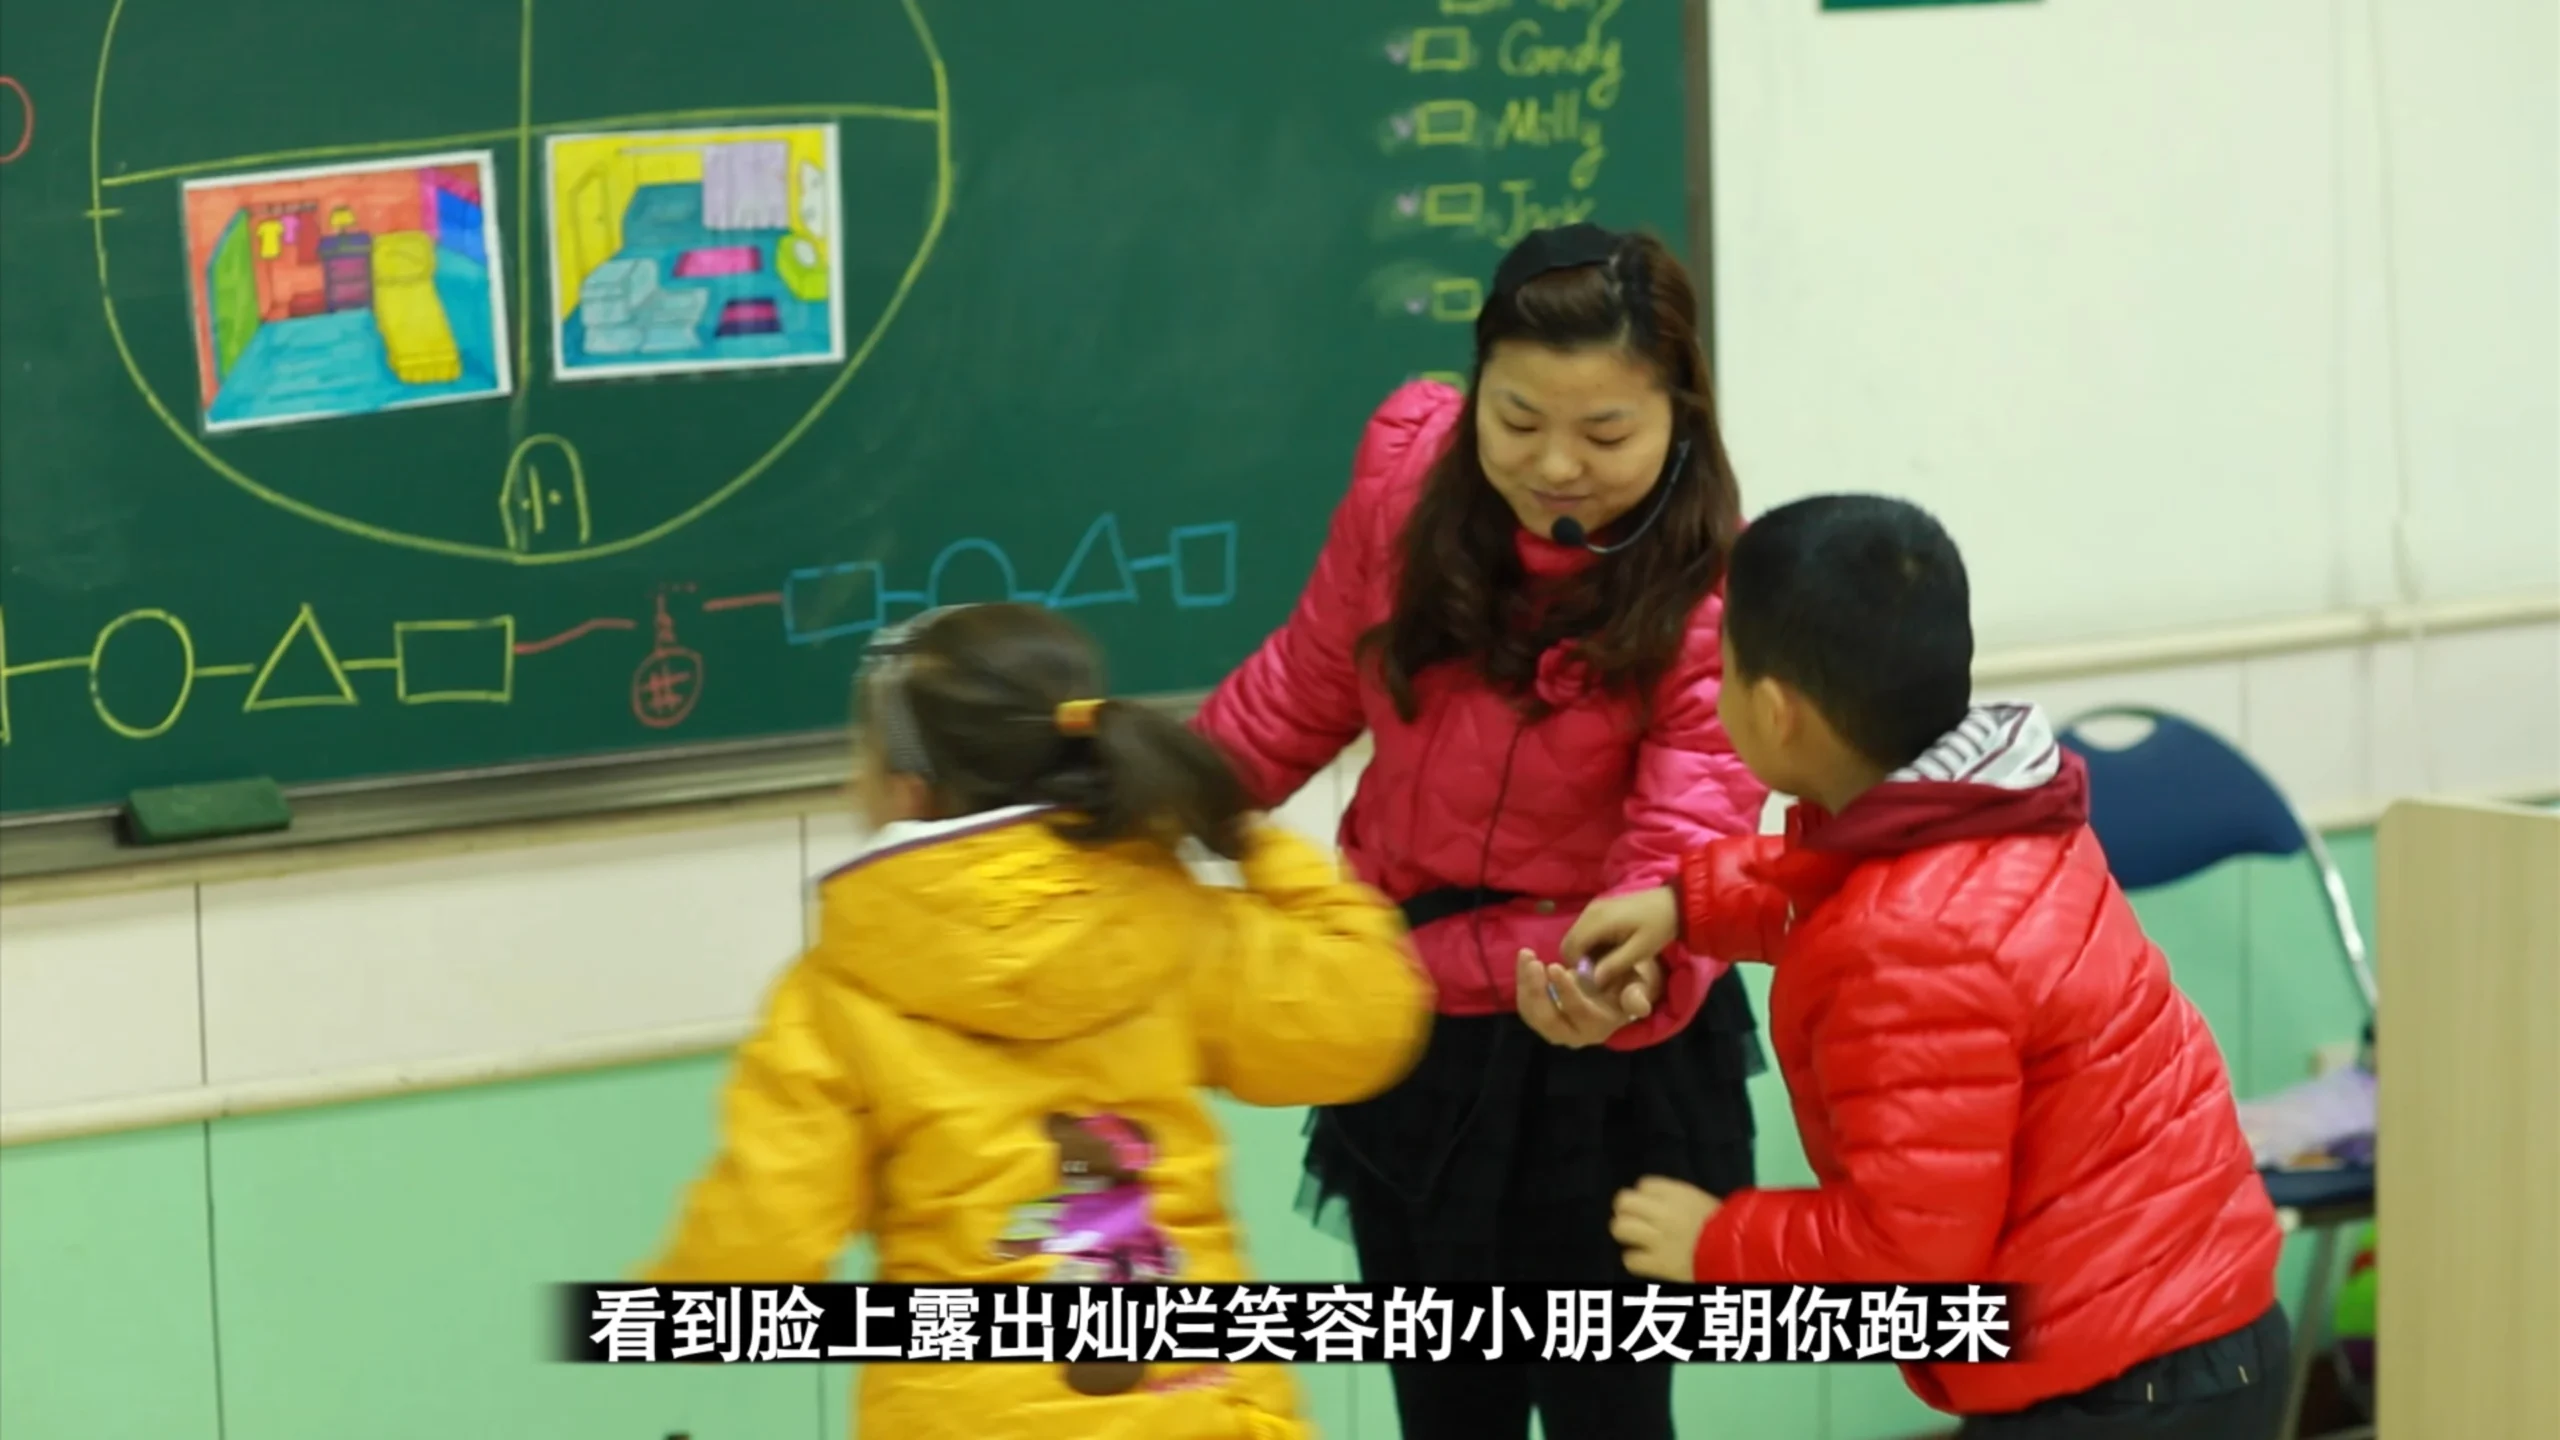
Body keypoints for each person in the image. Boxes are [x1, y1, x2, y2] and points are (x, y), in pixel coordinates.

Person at [1193, 223, 1767, 1439]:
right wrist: (1153, 797)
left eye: (1606, 433)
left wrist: (1619, 976)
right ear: (1474, 392)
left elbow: (1677, 859)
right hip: (1413, 1044)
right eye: (1515, 421)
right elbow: (1306, 682)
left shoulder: (1712, 586)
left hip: (1602, 1064)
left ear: (1679, 413)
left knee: (1609, 1416)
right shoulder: (1406, 480)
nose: (1555, 465)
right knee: (1445, 1411)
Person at [1577, 496, 2289, 1439]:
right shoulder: (2000, 793)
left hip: (2120, 1391)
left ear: (1777, 712)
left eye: (1725, 670)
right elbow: (1843, 875)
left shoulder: (1905, 941)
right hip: (2191, 1327)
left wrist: (1716, 1243)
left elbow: (1909, 1259)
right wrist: (1686, 905)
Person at [641, 602, 1432, 1440]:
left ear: (906, 789)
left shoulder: (837, 992)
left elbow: (754, 1256)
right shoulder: (1174, 921)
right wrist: (1242, 837)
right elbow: (1367, 1019)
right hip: (1199, 1409)